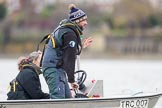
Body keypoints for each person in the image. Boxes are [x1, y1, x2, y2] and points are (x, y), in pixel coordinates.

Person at [41, 4, 93, 99]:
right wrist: (72, 80)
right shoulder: (70, 34)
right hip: (53, 69)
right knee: (59, 100)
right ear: (77, 21)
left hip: (58, 69)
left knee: (68, 99)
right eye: (83, 20)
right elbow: (69, 58)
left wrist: (81, 47)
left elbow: (67, 52)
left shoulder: (66, 30)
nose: (86, 23)